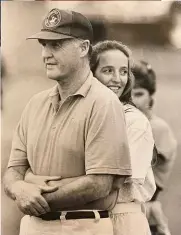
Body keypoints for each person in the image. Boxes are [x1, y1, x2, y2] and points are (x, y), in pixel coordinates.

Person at [3, 8, 132, 235]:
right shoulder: (35, 104)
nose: (45, 54)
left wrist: (34, 195)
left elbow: (99, 184)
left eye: (56, 45)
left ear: (83, 48)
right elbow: (13, 170)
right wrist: (19, 187)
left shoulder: (104, 103)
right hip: (33, 227)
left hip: (81, 227)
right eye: (44, 45)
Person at [90, 40, 156, 235]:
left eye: (124, 71)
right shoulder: (86, 115)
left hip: (123, 218)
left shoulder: (134, 121)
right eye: (108, 71)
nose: (117, 79)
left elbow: (117, 180)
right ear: (91, 72)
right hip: (89, 219)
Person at [132, 60, 177, 235]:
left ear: (151, 97)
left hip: (144, 212)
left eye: (139, 94)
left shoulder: (156, 127)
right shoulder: (131, 124)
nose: (133, 101)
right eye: (128, 94)